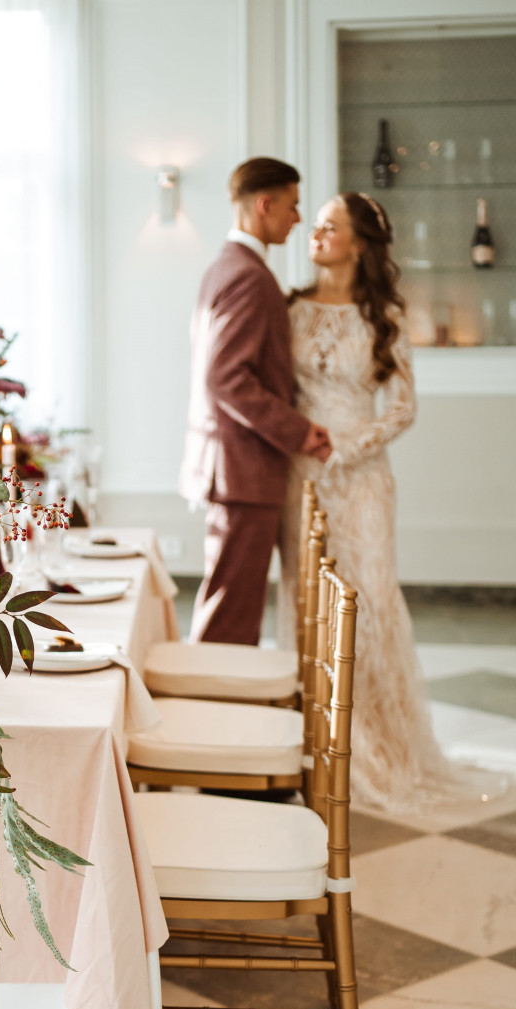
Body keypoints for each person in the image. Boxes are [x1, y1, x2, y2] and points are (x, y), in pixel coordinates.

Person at [277, 191, 508, 814]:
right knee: (306, 604)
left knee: (372, 603)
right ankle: (313, 748)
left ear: (359, 243)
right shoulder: (290, 308)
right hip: (298, 476)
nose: (316, 234)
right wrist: (307, 448)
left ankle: (384, 750)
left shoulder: (387, 314)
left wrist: (343, 448)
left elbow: (404, 407)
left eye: (330, 227)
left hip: (363, 478)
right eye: (316, 226)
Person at [180, 157, 332, 646]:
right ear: (264, 205)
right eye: (292, 206)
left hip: (232, 467)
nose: (297, 218)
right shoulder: (249, 275)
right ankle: (215, 715)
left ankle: (217, 707)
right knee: (231, 616)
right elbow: (226, 377)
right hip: (244, 471)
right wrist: (298, 430)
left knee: (229, 605)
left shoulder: (225, 266)